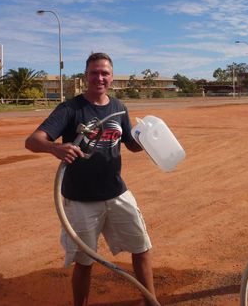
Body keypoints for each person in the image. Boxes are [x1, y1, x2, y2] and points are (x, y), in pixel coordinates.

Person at [25, 52, 156, 306]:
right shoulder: (70, 109)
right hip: (81, 200)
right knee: (85, 261)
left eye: (105, 73)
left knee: (142, 248)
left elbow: (130, 144)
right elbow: (33, 141)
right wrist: (54, 148)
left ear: (111, 77)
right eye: (94, 72)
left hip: (117, 193)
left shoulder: (119, 108)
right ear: (86, 75)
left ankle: (151, 301)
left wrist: (150, 142)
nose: (100, 77)